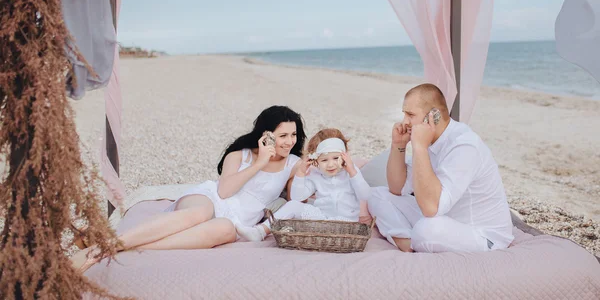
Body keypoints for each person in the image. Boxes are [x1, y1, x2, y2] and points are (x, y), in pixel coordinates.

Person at [72, 105, 307, 272]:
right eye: (283, 135)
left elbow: (301, 195)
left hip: (237, 221)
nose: (289, 141)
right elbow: (224, 192)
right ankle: (107, 246)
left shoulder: (293, 164)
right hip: (208, 199)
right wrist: (260, 163)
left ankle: (114, 248)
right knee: (199, 214)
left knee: (224, 230)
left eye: (294, 134)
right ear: (265, 135)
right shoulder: (239, 155)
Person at [367, 84, 514, 253]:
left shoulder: (464, 145)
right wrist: (398, 145)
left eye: (411, 114)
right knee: (376, 195)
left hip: (482, 235)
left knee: (427, 229)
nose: (404, 121)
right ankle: (406, 242)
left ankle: (414, 240)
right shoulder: (428, 139)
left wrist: (420, 147)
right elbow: (397, 188)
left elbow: (431, 209)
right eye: (404, 114)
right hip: (444, 217)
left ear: (434, 116)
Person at [235, 128, 371, 242]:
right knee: (293, 206)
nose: (330, 164)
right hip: (322, 220)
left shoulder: (351, 173)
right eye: (324, 160)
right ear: (315, 161)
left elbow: (365, 195)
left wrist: (352, 171)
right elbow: (296, 197)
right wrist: (300, 173)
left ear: (345, 156)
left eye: (336, 158)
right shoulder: (316, 175)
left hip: (346, 223)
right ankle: (260, 232)